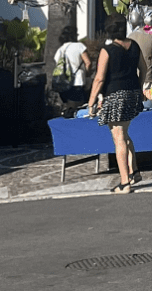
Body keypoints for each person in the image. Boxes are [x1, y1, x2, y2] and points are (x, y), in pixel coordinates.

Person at [87, 14, 145, 193]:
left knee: (118, 138)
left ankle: (124, 182)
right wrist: (140, 88)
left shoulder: (108, 50)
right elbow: (143, 68)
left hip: (115, 96)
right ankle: (134, 171)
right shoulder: (134, 46)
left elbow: (99, 79)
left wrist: (91, 103)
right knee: (125, 134)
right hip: (133, 93)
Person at [54, 27, 88, 101]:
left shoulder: (60, 49)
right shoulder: (79, 46)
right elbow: (88, 62)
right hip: (78, 81)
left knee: (68, 107)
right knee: (80, 106)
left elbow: (57, 64)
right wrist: (87, 73)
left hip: (63, 83)